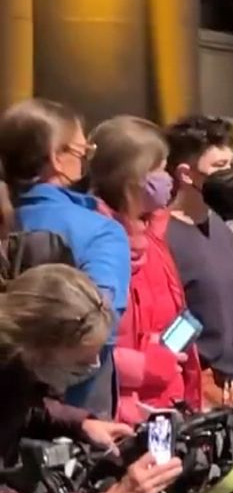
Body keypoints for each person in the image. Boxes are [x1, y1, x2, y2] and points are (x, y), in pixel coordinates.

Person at [0, 264, 183, 493]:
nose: (94, 367)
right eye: (81, 364)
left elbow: (21, 407)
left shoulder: (15, 364)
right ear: (38, 347)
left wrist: (81, 423)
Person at [0, 98, 131, 416]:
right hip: (75, 413)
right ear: (57, 158)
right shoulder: (100, 231)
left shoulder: (7, 216)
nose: (86, 161)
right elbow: (100, 326)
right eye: (83, 152)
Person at [88, 116, 202, 423]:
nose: (167, 178)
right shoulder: (97, 244)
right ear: (133, 176)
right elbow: (85, 345)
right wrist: (147, 365)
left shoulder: (154, 236)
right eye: (160, 169)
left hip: (168, 404)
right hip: (124, 417)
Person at [164, 115, 233, 408]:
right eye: (218, 168)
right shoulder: (163, 236)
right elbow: (169, 318)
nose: (228, 176)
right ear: (186, 174)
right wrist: (199, 365)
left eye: (229, 166)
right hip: (195, 385)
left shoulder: (222, 228)